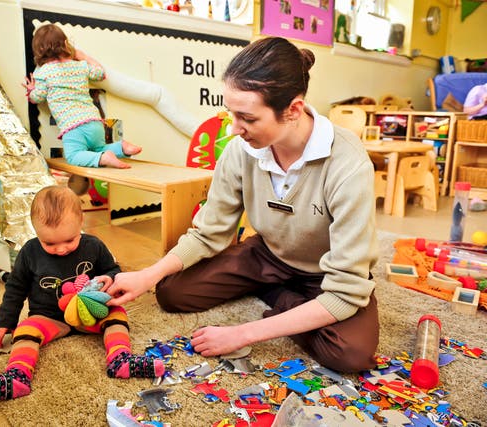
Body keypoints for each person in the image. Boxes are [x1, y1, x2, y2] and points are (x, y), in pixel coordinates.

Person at [104, 37, 379, 373]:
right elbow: (209, 232)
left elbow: (347, 292)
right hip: (267, 256)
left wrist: (243, 333)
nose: (235, 129)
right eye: (231, 114)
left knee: (350, 355)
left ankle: (282, 299)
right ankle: (286, 296)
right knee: (171, 292)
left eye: (246, 118)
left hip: (325, 270)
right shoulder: (240, 151)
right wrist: (147, 275)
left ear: (293, 109)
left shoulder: (347, 163)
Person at [0, 186, 164, 401]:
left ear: (81, 222)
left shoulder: (94, 245)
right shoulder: (30, 252)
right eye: (50, 243)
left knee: (117, 312)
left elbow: (113, 270)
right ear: (36, 231)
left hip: (89, 313)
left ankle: (121, 359)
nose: (61, 249)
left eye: (69, 240)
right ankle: (17, 376)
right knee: (26, 329)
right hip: (50, 317)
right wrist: (6, 320)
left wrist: (109, 279)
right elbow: (16, 288)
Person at [23, 24, 142, 168]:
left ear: (39, 51)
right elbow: (100, 73)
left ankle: (104, 158)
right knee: (98, 149)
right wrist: (84, 57)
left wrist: (31, 90)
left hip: (73, 126)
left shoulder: (43, 72)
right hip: (95, 122)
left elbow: (37, 97)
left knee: (73, 156)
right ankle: (121, 147)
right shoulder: (80, 66)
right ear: (66, 44)